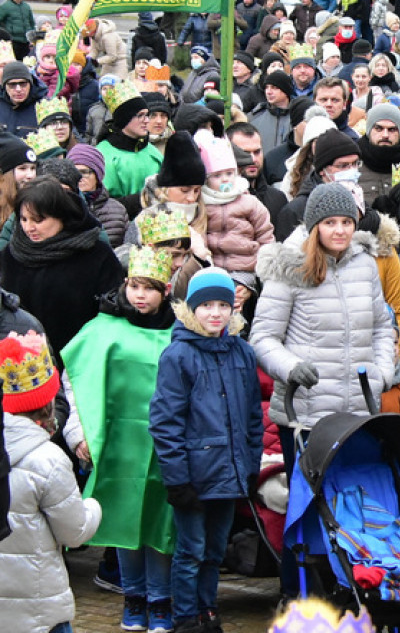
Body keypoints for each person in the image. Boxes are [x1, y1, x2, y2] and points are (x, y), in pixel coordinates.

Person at [250, 183, 394, 600]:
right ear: (314, 226)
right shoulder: (291, 266)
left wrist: (382, 372)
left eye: (347, 222)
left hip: (357, 410)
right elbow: (263, 337)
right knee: (307, 509)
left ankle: (349, 587)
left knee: (352, 504)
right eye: (331, 223)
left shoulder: (365, 264)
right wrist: (291, 367)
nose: (340, 230)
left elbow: (383, 327)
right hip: (306, 414)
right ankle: (298, 593)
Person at [61, 246, 177, 632]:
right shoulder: (102, 328)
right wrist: (78, 433)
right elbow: (76, 380)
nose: (140, 295)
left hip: (164, 447)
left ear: (165, 290)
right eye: (134, 286)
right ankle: (134, 596)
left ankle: (160, 600)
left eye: (150, 288)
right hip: (116, 445)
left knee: (160, 522)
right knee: (124, 521)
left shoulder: (179, 334)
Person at [150, 268, 262, 633]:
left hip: (230, 471)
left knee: (215, 550)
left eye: (223, 305)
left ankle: (207, 610)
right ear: (192, 309)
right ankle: (186, 616)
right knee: (191, 550)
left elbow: (252, 416)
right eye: (207, 306)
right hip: (195, 474)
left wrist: (251, 465)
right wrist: (177, 479)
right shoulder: (178, 355)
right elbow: (166, 422)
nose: (215, 313)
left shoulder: (242, 352)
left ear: (233, 308)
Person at [0, 331, 102, 633]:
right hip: (39, 608)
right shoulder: (48, 460)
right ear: (48, 401)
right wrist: (93, 507)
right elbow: (74, 533)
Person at [1, 177, 123, 365]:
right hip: (23, 365)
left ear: (60, 215)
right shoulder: (10, 255)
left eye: (38, 220)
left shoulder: (96, 255)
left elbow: (112, 313)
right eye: (23, 219)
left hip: (81, 361)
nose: (29, 227)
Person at [196, 135, 274, 306]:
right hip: (212, 268)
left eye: (229, 173)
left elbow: (265, 234)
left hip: (244, 267)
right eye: (217, 175)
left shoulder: (249, 202)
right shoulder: (202, 205)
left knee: (235, 294)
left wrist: (263, 265)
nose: (225, 179)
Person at [95, 81, 163, 200]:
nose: (147, 120)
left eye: (147, 115)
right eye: (140, 115)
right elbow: (103, 202)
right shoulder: (103, 154)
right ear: (124, 118)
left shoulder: (153, 152)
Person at [66, 142, 129, 247]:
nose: (79, 177)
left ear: (98, 175)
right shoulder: (62, 207)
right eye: (73, 172)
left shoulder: (118, 210)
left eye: (84, 172)